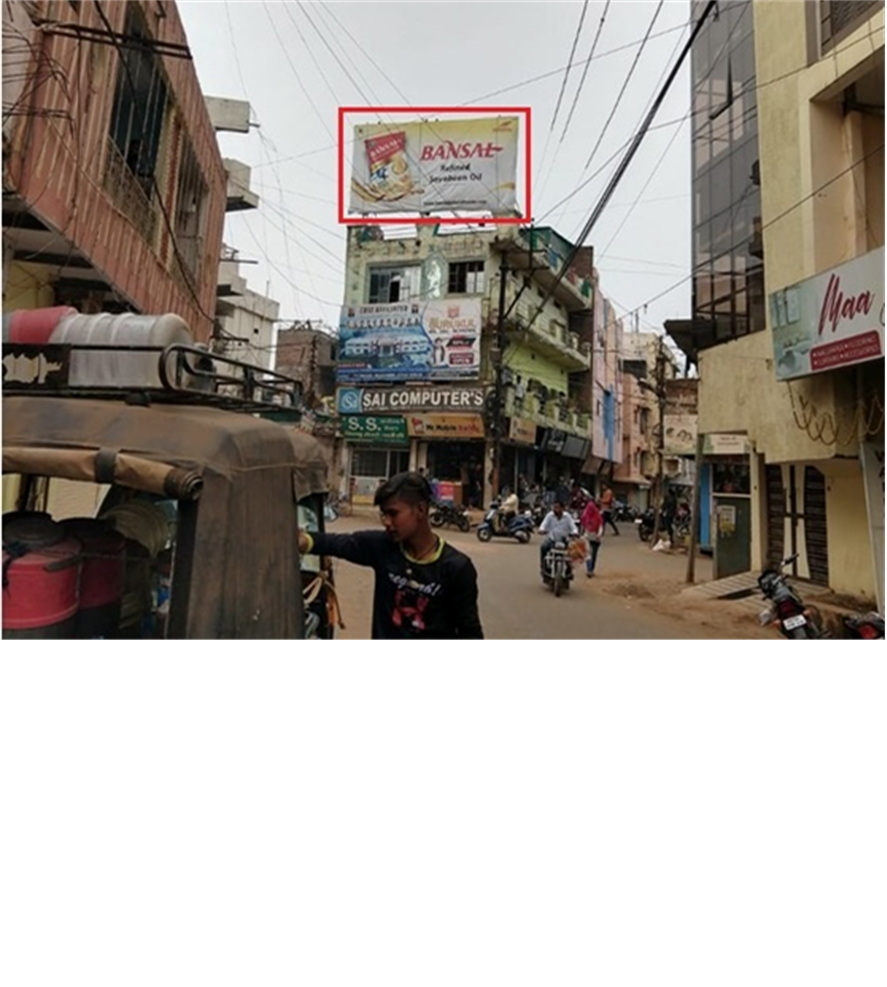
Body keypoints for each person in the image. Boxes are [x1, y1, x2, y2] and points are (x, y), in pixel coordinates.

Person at [297, 471, 484, 640]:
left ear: (420, 510)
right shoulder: (383, 547)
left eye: (393, 513)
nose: (386, 522)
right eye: (383, 514)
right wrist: (304, 540)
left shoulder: (457, 568)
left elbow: (470, 632)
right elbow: (338, 543)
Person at [538, 499, 579, 575]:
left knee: (573, 551)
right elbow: (543, 525)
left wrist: (575, 533)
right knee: (543, 547)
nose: (555, 509)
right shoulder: (549, 516)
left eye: (557, 507)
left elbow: (573, 527)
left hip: (564, 540)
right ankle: (544, 566)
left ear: (563, 508)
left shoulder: (567, 517)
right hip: (552, 540)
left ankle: (569, 569)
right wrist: (542, 530)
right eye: (554, 507)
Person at [580, 497, 605, 578]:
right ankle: (590, 570)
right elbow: (601, 526)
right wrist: (599, 535)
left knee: (588, 554)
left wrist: (582, 534)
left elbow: (582, 525)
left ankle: (589, 569)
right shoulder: (598, 514)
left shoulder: (585, 514)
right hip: (595, 537)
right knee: (593, 554)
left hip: (588, 536)